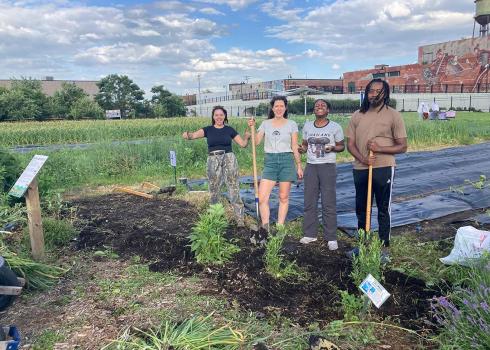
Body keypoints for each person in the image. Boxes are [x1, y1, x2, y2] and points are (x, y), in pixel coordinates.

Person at [346, 79, 407, 261]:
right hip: (361, 167)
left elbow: (402, 146)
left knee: (382, 208)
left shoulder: (393, 115)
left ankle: (383, 247)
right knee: (362, 208)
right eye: (371, 91)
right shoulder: (357, 115)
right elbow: (350, 144)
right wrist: (363, 159)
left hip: (383, 167)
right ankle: (363, 245)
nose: (374, 94)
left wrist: (379, 148)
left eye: (378, 91)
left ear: (385, 93)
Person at [183, 106, 250, 226]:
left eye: (221, 115)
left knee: (233, 187)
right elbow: (193, 136)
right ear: (213, 117)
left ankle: (239, 220)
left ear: (225, 116)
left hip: (229, 158)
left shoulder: (230, 130)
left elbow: (243, 144)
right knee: (214, 189)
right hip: (213, 159)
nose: (219, 117)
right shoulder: (208, 130)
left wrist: (246, 137)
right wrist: (187, 135)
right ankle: (216, 218)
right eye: (216, 115)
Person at [248, 96, 303, 231]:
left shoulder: (292, 124)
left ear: (285, 108)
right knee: (262, 197)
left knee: (283, 196)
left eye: (281, 106)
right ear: (272, 108)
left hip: (286, 160)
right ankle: (265, 226)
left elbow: (295, 146)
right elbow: (256, 142)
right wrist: (252, 129)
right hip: (270, 161)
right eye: (276, 106)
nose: (279, 108)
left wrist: (299, 165)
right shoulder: (265, 124)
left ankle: (280, 226)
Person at [298, 99, 345, 249]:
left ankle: (331, 237)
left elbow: (341, 146)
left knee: (328, 201)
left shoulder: (335, 127)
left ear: (328, 110)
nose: (319, 107)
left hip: (327, 167)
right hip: (311, 166)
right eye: (317, 105)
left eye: (323, 105)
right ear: (314, 110)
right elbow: (305, 144)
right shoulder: (307, 126)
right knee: (309, 200)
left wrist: (332, 148)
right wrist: (302, 149)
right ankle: (310, 234)